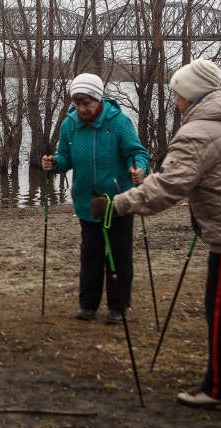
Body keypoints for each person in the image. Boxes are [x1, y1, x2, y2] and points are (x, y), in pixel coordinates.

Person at [92, 58, 221, 412]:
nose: (175, 100)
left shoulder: (195, 134)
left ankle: (217, 389)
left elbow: (166, 189)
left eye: (177, 93)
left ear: (191, 95)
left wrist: (115, 205)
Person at [42, 73, 148, 325]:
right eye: (77, 103)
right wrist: (55, 163)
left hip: (118, 200)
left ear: (98, 99)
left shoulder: (119, 122)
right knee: (90, 253)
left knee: (118, 253)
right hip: (86, 201)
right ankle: (88, 305)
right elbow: (65, 157)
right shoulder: (69, 125)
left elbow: (137, 152)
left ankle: (118, 307)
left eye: (86, 102)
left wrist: (139, 168)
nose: (81, 108)